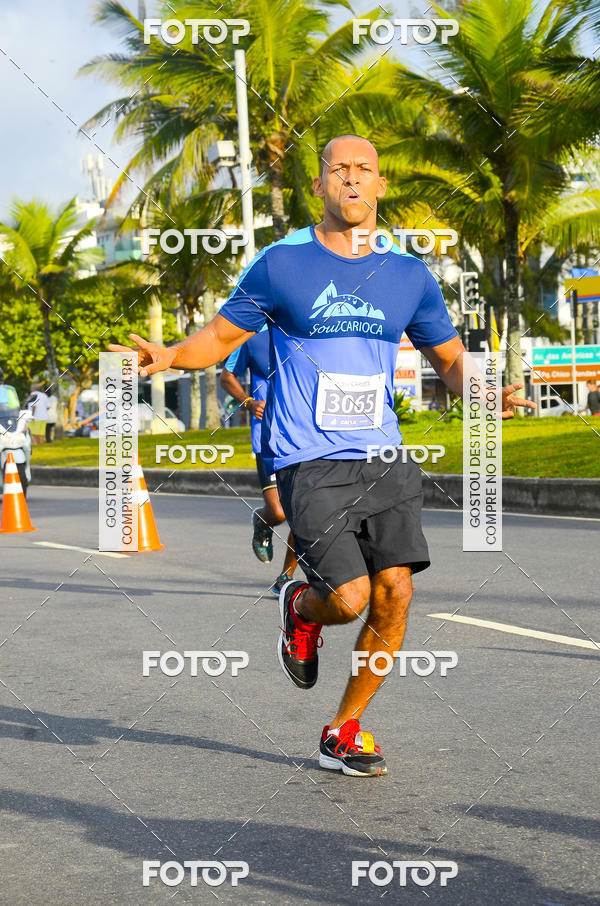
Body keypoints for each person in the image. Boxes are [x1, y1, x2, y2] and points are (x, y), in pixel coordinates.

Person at [109, 134, 535, 777]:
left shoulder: (407, 273)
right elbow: (220, 338)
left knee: (395, 593)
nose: (354, 179)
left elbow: (446, 358)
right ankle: (301, 608)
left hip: (384, 457)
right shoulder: (282, 265)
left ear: (382, 184)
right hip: (308, 460)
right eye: (340, 170)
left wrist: (480, 391)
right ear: (321, 185)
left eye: (366, 169)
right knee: (350, 598)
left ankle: (344, 728)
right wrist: (168, 356)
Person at [220, 328, 298, 592]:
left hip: (305, 438)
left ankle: (285, 577)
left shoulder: (305, 333)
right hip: (267, 438)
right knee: (278, 511)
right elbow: (227, 377)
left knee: (302, 512)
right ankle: (263, 521)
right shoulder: (251, 338)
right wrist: (249, 402)